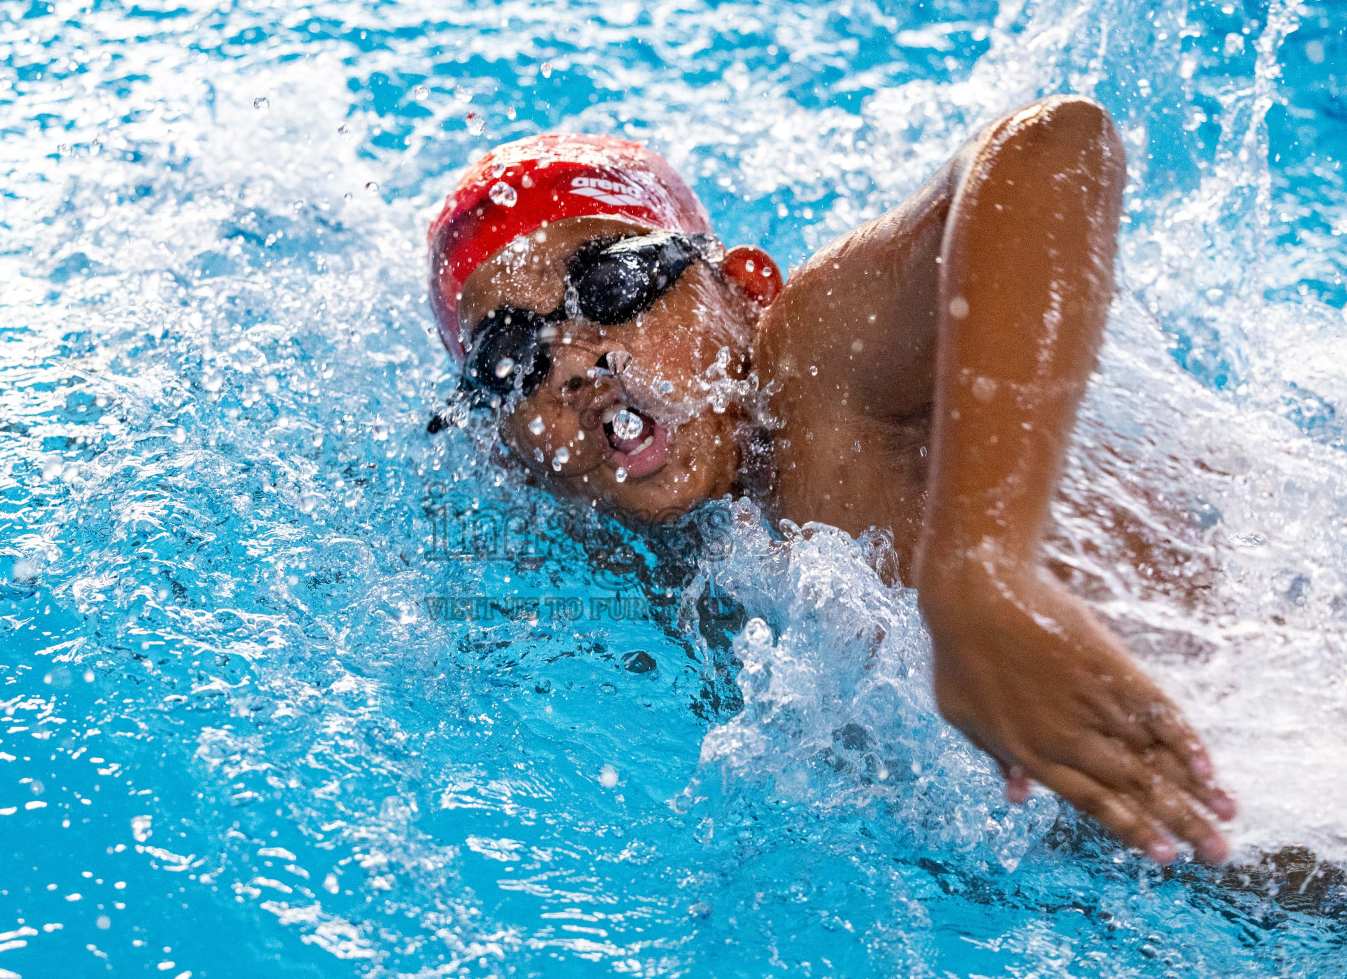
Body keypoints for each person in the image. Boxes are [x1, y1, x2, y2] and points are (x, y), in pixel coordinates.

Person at [423, 95, 1238, 865]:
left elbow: (1056, 146)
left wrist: (981, 571)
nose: (571, 359)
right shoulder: (652, 567)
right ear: (508, 451)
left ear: (743, 291)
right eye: (509, 359)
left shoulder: (813, 376)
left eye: (610, 284)